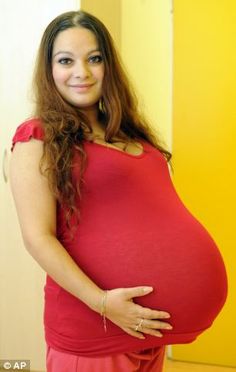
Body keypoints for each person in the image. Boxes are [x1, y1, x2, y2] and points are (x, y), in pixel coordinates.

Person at [10, 10, 227, 372]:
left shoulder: (131, 134)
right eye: (66, 60)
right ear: (49, 70)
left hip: (146, 330)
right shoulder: (37, 137)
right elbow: (38, 237)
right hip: (97, 331)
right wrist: (103, 303)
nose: (81, 72)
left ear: (108, 66)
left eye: (94, 58)